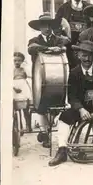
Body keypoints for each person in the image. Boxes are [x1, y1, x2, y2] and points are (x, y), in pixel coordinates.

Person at [48, 41, 93, 166]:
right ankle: (62, 150)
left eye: (90, 55)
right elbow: (72, 96)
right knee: (64, 117)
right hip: (84, 107)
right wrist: (81, 109)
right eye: (84, 55)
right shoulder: (74, 73)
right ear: (78, 55)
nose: (87, 58)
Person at [27, 14, 67, 148]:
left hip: (57, 77)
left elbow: (65, 46)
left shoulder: (57, 39)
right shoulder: (34, 39)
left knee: (56, 105)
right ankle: (44, 133)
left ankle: (46, 130)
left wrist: (60, 48)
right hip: (39, 77)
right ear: (40, 28)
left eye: (50, 25)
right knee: (41, 106)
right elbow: (31, 48)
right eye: (44, 26)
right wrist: (48, 49)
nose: (47, 28)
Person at [55, 0, 92, 68]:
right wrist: (61, 37)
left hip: (86, 45)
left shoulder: (89, 7)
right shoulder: (63, 8)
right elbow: (56, 26)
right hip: (69, 46)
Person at [13, 52, 32, 132]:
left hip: (23, 89)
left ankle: (28, 126)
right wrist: (14, 88)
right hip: (14, 89)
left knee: (25, 109)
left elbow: (30, 76)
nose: (17, 62)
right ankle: (19, 127)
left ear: (22, 61)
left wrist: (25, 68)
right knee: (16, 109)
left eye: (19, 61)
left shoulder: (24, 69)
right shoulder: (12, 70)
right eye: (15, 60)